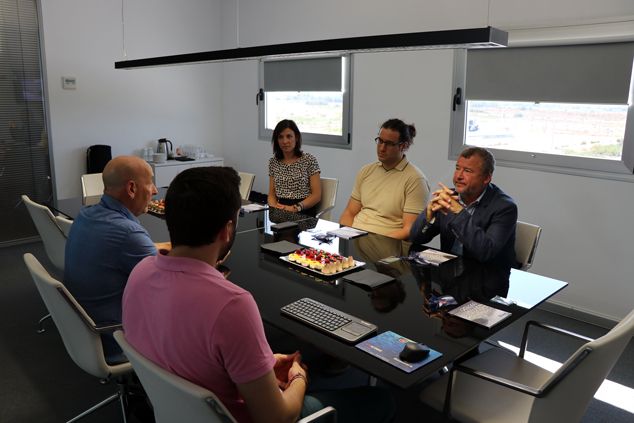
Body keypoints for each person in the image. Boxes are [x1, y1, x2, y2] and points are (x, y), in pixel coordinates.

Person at [122, 166, 396, 423]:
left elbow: (186, 346)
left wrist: (261, 364)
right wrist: (299, 377)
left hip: (175, 409)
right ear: (226, 230)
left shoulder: (140, 272)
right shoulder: (232, 305)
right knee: (381, 400)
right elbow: (276, 418)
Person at [64, 155, 161, 364]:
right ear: (132, 188)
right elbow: (170, 285)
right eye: (150, 183)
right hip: (113, 338)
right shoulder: (129, 234)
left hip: (81, 328)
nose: (155, 191)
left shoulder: (86, 213)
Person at [409, 147, 519, 268]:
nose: (459, 176)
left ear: (486, 178)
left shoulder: (505, 207)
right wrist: (429, 214)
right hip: (450, 271)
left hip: (487, 274)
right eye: (457, 168)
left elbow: (486, 252)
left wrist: (459, 212)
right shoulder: (449, 197)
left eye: (467, 171)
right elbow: (416, 239)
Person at [340, 118, 430, 240]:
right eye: (380, 141)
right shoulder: (366, 171)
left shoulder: (415, 180)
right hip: (355, 240)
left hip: (386, 245)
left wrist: (374, 244)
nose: (382, 148)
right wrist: (344, 239)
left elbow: (409, 230)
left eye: (389, 144)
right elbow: (349, 213)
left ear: (403, 146)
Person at [268, 119, 321, 217]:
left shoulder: (309, 160)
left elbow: (317, 195)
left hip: (303, 210)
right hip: (281, 210)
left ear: (297, 137)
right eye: (280, 137)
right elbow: (272, 193)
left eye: (289, 136)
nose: (285, 141)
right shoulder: (273, 162)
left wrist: (295, 208)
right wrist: (273, 207)